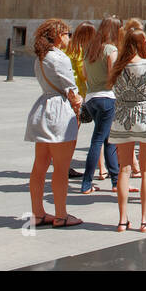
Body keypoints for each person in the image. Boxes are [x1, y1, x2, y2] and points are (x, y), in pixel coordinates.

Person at [109, 24, 146, 232]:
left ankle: (122, 220)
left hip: (122, 116)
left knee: (124, 171)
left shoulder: (117, 66)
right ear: (143, 43)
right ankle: (144, 220)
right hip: (144, 114)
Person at [24, 19, 83, 227]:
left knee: (39, 165)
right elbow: (71, 91)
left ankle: (38, 212)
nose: (69, 37)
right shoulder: (59, 58)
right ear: (58, 35)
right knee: (61, 167)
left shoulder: (41, 57)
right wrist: (79, 108)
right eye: (68, 34)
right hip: (59, 111)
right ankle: (61, 214)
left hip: (43, 107)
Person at [79, 17, 119, 196]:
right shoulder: (111, 49)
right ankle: (87, 182)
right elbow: (113, 76)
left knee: (108, 139)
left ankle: (116, 180)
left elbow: (85, 74)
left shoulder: (90, 49)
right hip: (107, 97)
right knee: (98, 140)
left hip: (91, 97)